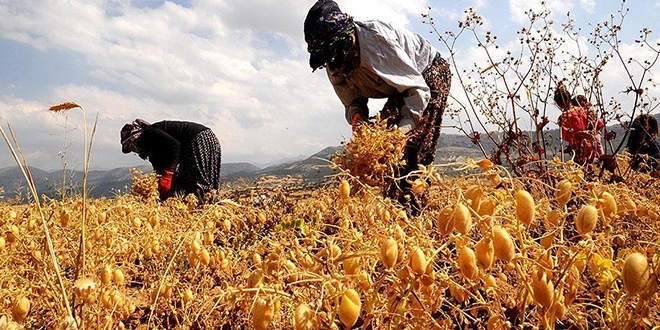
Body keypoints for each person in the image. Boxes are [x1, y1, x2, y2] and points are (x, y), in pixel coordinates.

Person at [304, 0, 451, 213]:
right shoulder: (333, 62)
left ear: (348, 40)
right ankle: (396, 214)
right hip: (404, 87)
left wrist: (403, 132)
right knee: (386, 156)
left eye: (336, 56)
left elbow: (416, 90)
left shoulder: (377, 42)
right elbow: (353, 103)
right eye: (328, 61)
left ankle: (415, 215)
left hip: (427, 73)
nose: (334, 67)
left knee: (412, 151)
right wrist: (358, 123)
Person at [120, 119, 222, 201]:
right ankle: (211, 207)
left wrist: (168, 174)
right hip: (208, 138)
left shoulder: (148, 133)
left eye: (131, 145)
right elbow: (159, 166)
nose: (135, 150)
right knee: (200, 183)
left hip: (198, 140)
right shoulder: (153, 149)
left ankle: (207, 211)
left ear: (135, 137)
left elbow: (174, 146)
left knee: (198, 185)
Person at [554, 84, 604, 166]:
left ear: (558, 104)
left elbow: (566, 136)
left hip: (580, 155)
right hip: (594, 151)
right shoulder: (585, 110)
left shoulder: (563, 118)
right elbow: (600, 124)